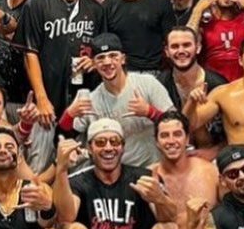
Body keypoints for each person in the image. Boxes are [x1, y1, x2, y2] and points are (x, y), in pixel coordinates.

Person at [17, 0, 105, 129]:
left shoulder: (95, 10)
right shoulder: (36, 4)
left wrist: (94, 62)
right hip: (47, 98)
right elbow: (29, 52)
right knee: (44, 145)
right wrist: (41, 98)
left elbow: (102, 52)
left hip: (83, 96)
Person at [59, 33, 173, 167]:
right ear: (94, 63)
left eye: (113, 56)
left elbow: (176, 123)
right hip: (115, 173)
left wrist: (150, 112)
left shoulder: (148, 84)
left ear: (123, 59)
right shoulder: (92, 99)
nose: (107, 62)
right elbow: (66, 132)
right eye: (101, 58)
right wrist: (69, 114)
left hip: (154, 166)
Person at [157, 26, 227, 155]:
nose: (181, 51)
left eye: (186, 45)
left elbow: (233, 131)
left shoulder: (218, 84)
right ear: (167, 51)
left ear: (198, 48)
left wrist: (212, 152)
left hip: (215, 155)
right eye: (175, 46)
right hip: (173, 155)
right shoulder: (160, 84)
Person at [149, 110, 219, 229]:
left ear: (187, 139)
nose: (171, 141)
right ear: (156, 142)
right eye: (164, 135)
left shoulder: (211, 172)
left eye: (177, 134)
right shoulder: (147, 178)